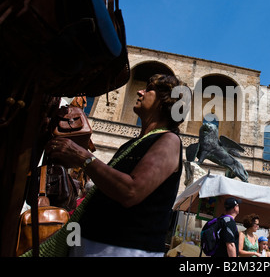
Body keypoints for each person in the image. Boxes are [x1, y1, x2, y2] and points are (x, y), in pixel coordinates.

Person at [45, 74, 188, 257]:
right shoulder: (132, 144)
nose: (139, 91)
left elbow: (131, 191)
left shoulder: (169, 140)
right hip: (95, 244)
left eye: (149, 88)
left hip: (124, 249)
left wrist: (83, 157)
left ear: (166, 101)